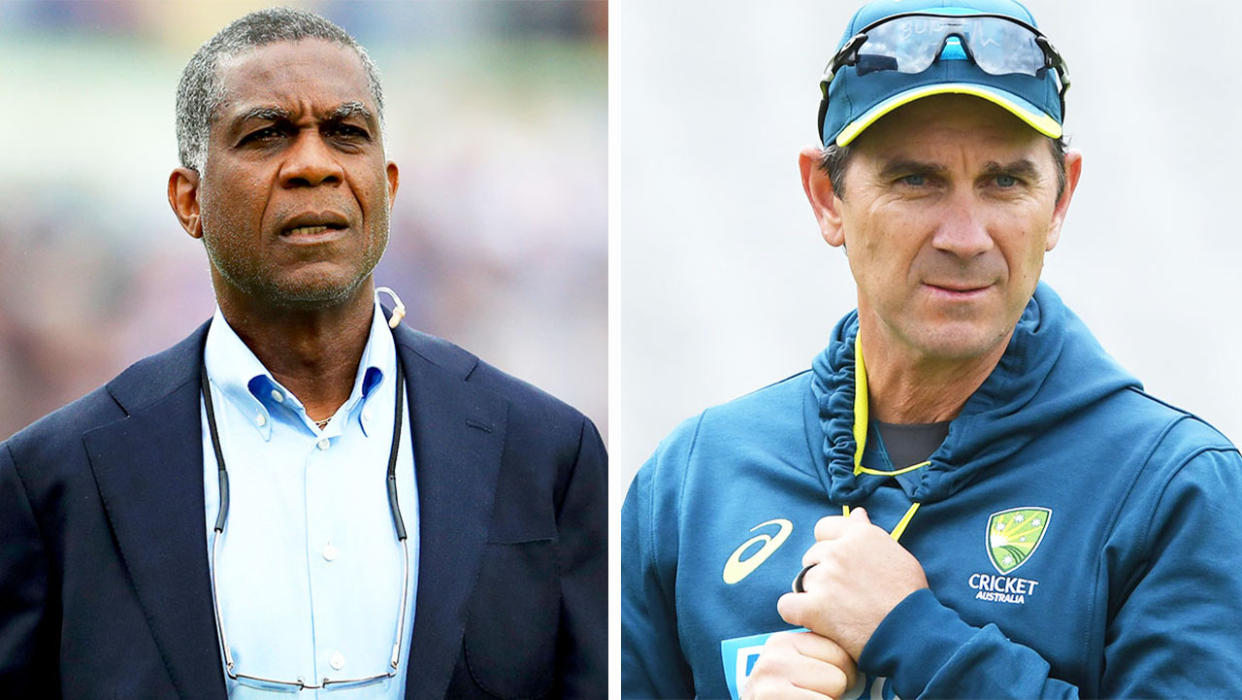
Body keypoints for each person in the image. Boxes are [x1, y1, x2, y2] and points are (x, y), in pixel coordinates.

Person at [621, 0, 1242, 698]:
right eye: (916, 180)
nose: (966, 236)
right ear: (827, 198)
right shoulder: (695, 479)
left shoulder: (1175, 489)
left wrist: (914, 637)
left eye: (1005, 182)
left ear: (1060, 203)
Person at [0, 8, 606, 698]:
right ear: (188, 199)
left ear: (389, 186)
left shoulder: (545, 451)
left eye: (347, 134)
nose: (314, 165)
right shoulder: (54, 480)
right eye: (266, 135)